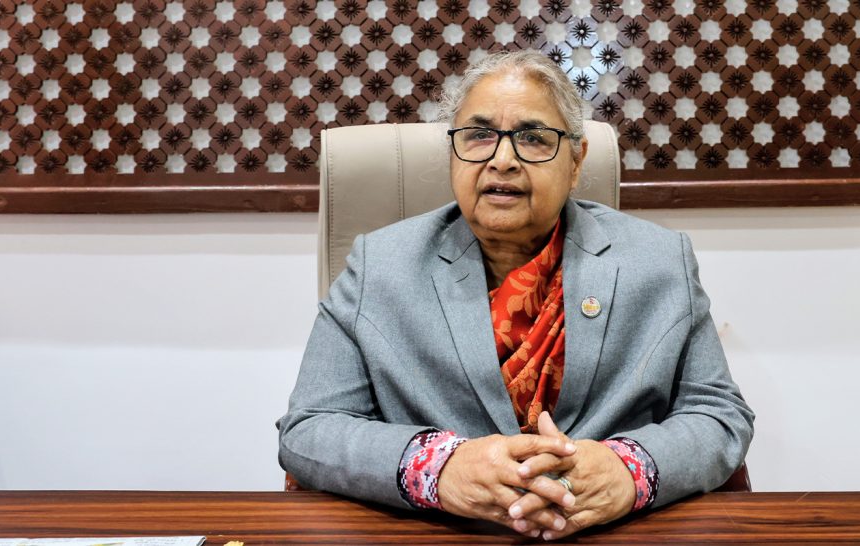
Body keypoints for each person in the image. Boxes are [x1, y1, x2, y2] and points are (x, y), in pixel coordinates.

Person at [277, 50, 753, 540]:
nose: (502, 160)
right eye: (479, 135)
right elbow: (309, 428)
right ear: (453, 151)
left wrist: (628, 470)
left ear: (576, 161)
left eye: (532, 138)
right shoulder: (378, 266)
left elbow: (719, 415)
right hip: (443, 534)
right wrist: (440, 469)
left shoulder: (659, 260)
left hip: (608, 532)